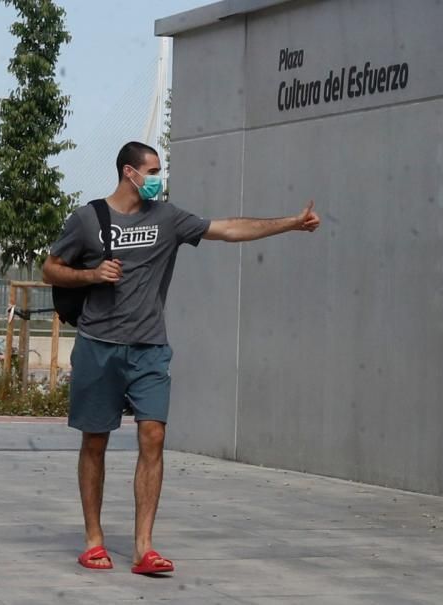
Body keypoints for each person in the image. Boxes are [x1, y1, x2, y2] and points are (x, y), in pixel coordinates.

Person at [42, 141, 320, 574]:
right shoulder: (88, 219)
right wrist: (91, 274)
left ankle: (143, 547)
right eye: (152, 170)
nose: (158, 177)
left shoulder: (168, 218)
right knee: (94, 441)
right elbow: (50, 268)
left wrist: (291, 223)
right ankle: (94, 541)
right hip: (98, 344)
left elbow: (227, 229)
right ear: (129, 172)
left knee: (153, 437)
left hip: (150, 346)